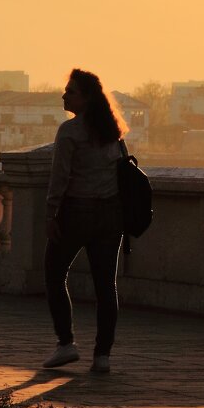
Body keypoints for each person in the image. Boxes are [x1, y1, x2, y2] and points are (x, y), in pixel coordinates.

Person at [42, 68, 128, 374]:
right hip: (110, 214)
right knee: (106, 285)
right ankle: (102, 355)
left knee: (54, 273)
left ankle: (66, 343)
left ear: (86, 98)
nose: (64, 95)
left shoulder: (70, 131)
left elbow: (60, 178)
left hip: (77, 211)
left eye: (71, 91)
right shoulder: (113, 131)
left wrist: (52, 214)